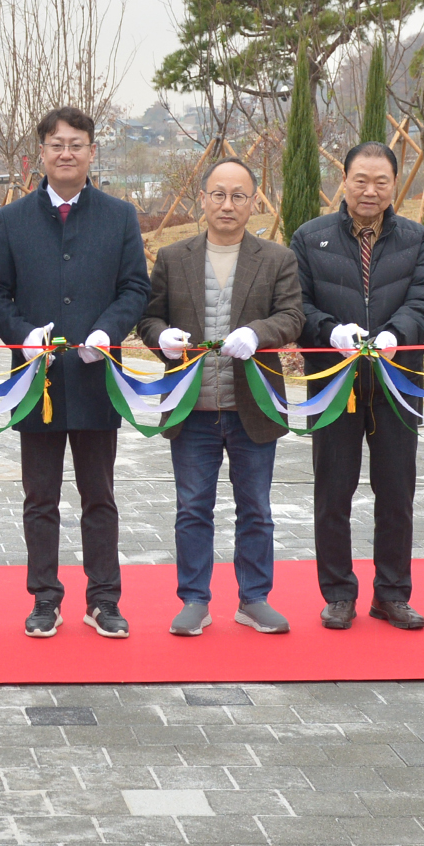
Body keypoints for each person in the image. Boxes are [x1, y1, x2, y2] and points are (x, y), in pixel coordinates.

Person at [0, 106, 151, 638]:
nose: (66, 153)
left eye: (77, 144)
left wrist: (108, 331)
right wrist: (23, 334)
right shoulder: (12, 219)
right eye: (56, 144)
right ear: (41, 153)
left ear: (92, 152)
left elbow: (135, 288)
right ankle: (44, 598)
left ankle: (103, 599)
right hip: (38, 382)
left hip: (98, 378)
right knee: (40, 498)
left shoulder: (118, 215)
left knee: (100, 496)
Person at [136, 157, 302, 635]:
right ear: (203, 200)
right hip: (193, 409)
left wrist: (257, 333)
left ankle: (254, 598)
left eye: (238, 195)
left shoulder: (276, 259)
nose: (227, 204)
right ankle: (194, 599)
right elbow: (149, 318)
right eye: (218, 194)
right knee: (192, 509)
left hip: (254, 405)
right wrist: (161, 337)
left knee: (257, 510)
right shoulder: (174, 257)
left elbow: (292, 316)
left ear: (253, 202)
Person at [291, 142, 424, 630]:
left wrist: (398, 333)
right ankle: (338, 594)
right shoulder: (310, 238)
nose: (370, 191)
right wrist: (330, 331)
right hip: (334, 384)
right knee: (333, 493)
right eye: (361, 180)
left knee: (396, 494)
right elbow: (297, 304)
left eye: (381, 181)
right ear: (344, 179)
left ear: (395, 185)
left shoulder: (417, 239)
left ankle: (392, 594)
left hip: (397, 384)